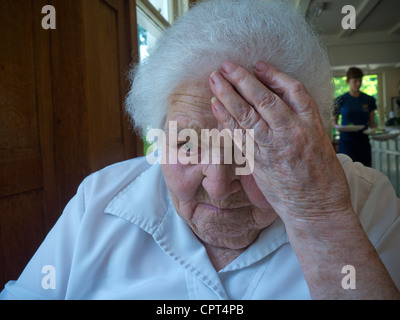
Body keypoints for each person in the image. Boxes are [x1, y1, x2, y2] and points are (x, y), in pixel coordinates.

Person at [1, 0, 399, 300]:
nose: (219, 183)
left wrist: (318, 214)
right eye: (188, 144)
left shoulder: (366, 201)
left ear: (303, 139)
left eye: (253, 148)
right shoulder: (99, 198)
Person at [334, 67, 378, 167]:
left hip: (363, 142)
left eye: (360, 80)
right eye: (355, 81)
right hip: (346, 143)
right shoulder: (341, 99)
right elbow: (334, 121)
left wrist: (379, 132)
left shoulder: (369, 99)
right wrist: (337, 126)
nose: (358, 84)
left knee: (366, 172)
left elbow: (372, 123)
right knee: (347, 172)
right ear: (348, 81)